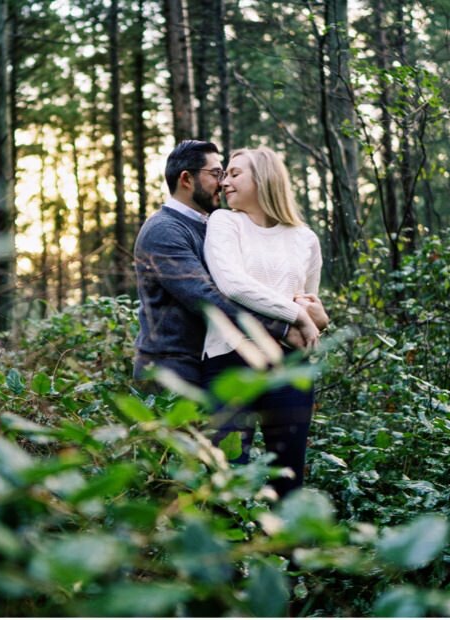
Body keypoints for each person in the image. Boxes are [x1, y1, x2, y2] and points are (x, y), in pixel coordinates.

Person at [200, 146, 326, 499]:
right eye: (224, 175)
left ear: (264, 177)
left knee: (288, 481)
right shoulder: (225, 222)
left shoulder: (305, 238)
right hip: (230, 359)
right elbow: (232, 284)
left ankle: (291, 555)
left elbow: (310, 304)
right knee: (226, 478)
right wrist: (296, 313)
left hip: (289, 365)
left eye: (235, 174)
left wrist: (314, 315)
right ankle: (229, 554)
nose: (225, 182)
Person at [132, 139, 304, 388]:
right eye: (216, 174)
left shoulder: (211, 226)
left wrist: (304, 308)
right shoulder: (163, 230)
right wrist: (284, 328)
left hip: (204, 363)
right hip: (170, 370)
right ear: (186, 180)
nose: (223, 183)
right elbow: (206, 297)